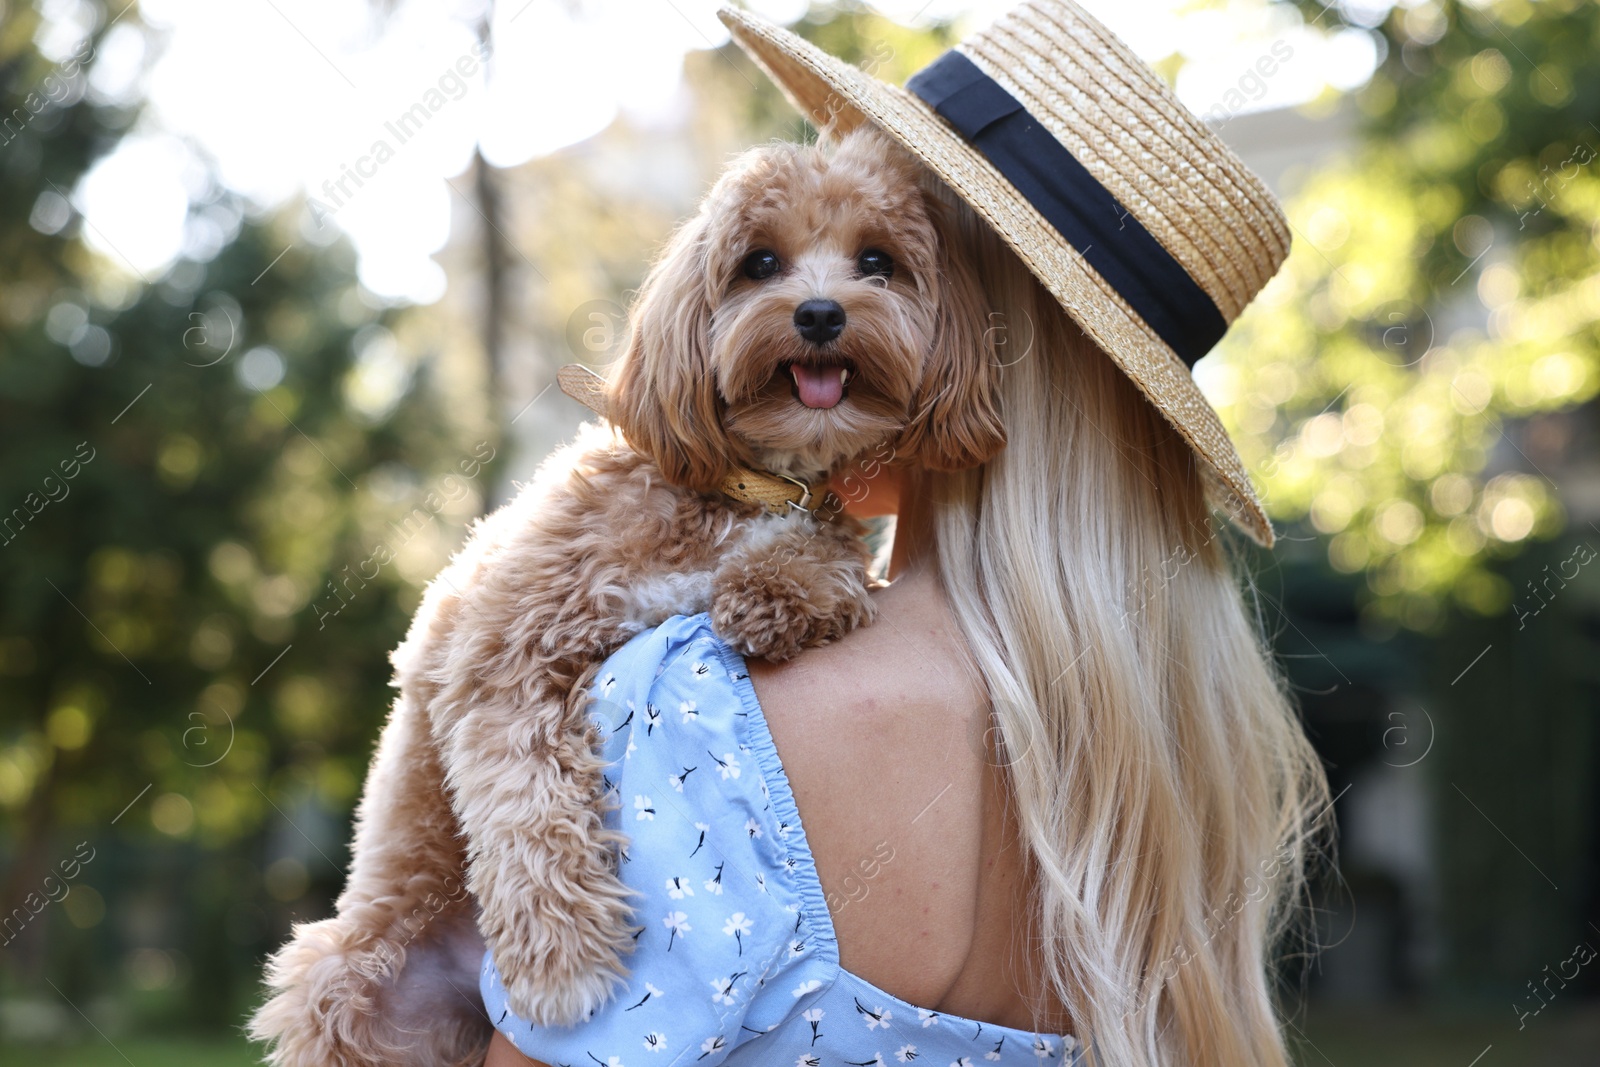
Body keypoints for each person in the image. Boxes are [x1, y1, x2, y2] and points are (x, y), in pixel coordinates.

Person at [484, 3, 1329, 1065]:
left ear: (969, 339)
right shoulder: (1186, 777)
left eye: (884, 258)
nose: (825, 300)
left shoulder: (698, 705)